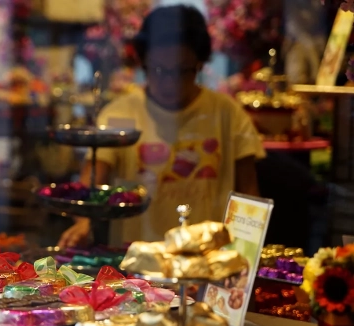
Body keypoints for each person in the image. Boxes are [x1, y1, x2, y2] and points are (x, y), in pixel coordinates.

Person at [58, 5, 266, 248]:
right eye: (159, 70)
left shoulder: (227, 112)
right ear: (143, 62)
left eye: (182, 71)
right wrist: (84, 223)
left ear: (199, 64)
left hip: (209, 263)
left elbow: (249, 197)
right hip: (136, 266)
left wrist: (246, 253)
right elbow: (89, 183)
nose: (170, 83)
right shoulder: (120, 114)